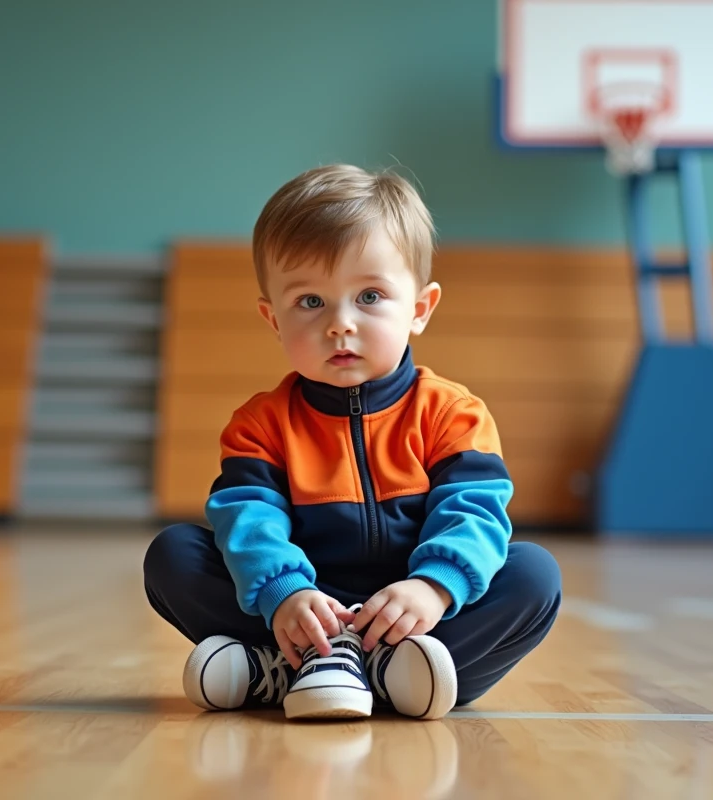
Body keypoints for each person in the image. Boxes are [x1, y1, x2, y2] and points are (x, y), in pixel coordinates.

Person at [144, 164, 561, 720]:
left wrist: (434, 588)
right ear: (273, 319)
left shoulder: (453, 414)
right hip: (304, 608)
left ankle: (338, 671)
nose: (340, 324)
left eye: (369, 296)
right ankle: (312, 658)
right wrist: (285, 594)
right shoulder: (260, 425)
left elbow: (475, 514)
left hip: (414, 614)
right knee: (173, 554)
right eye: (310, 302)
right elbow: (249, 520)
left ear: (419, 309)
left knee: (535, 575)